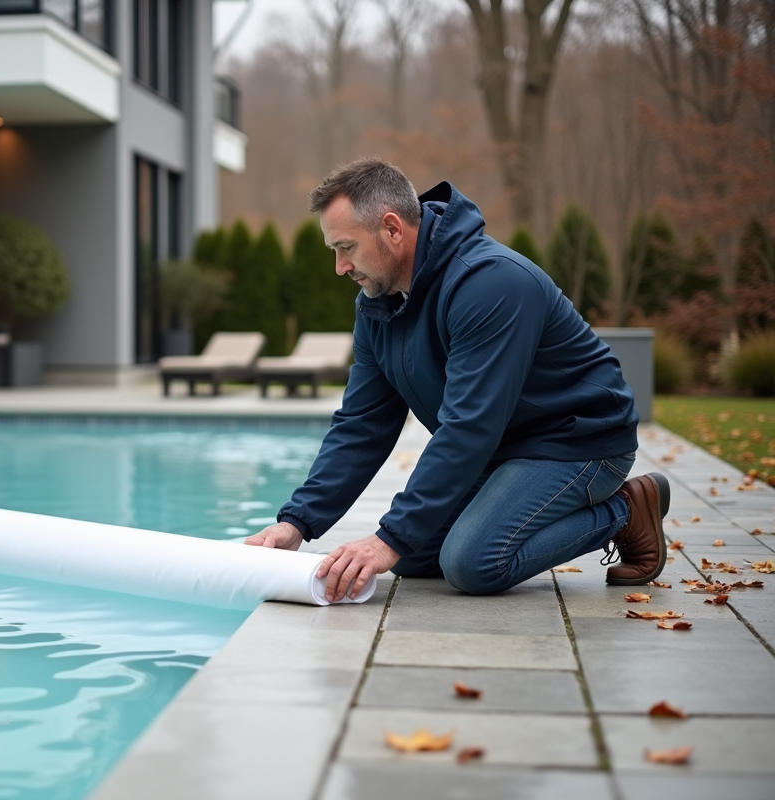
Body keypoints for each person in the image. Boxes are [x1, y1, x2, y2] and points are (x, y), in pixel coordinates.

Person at [244, 158, 670, 600]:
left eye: (346, 247)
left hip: (578, 441)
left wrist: (389, 537)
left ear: (392, 229)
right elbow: (362, 423)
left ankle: (625, 509)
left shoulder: (491, 283)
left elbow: (470, 425)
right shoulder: (378, 303)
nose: (339, 267)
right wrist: (297, 523)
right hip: (500, 447)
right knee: (411, 556)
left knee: (471, 563)